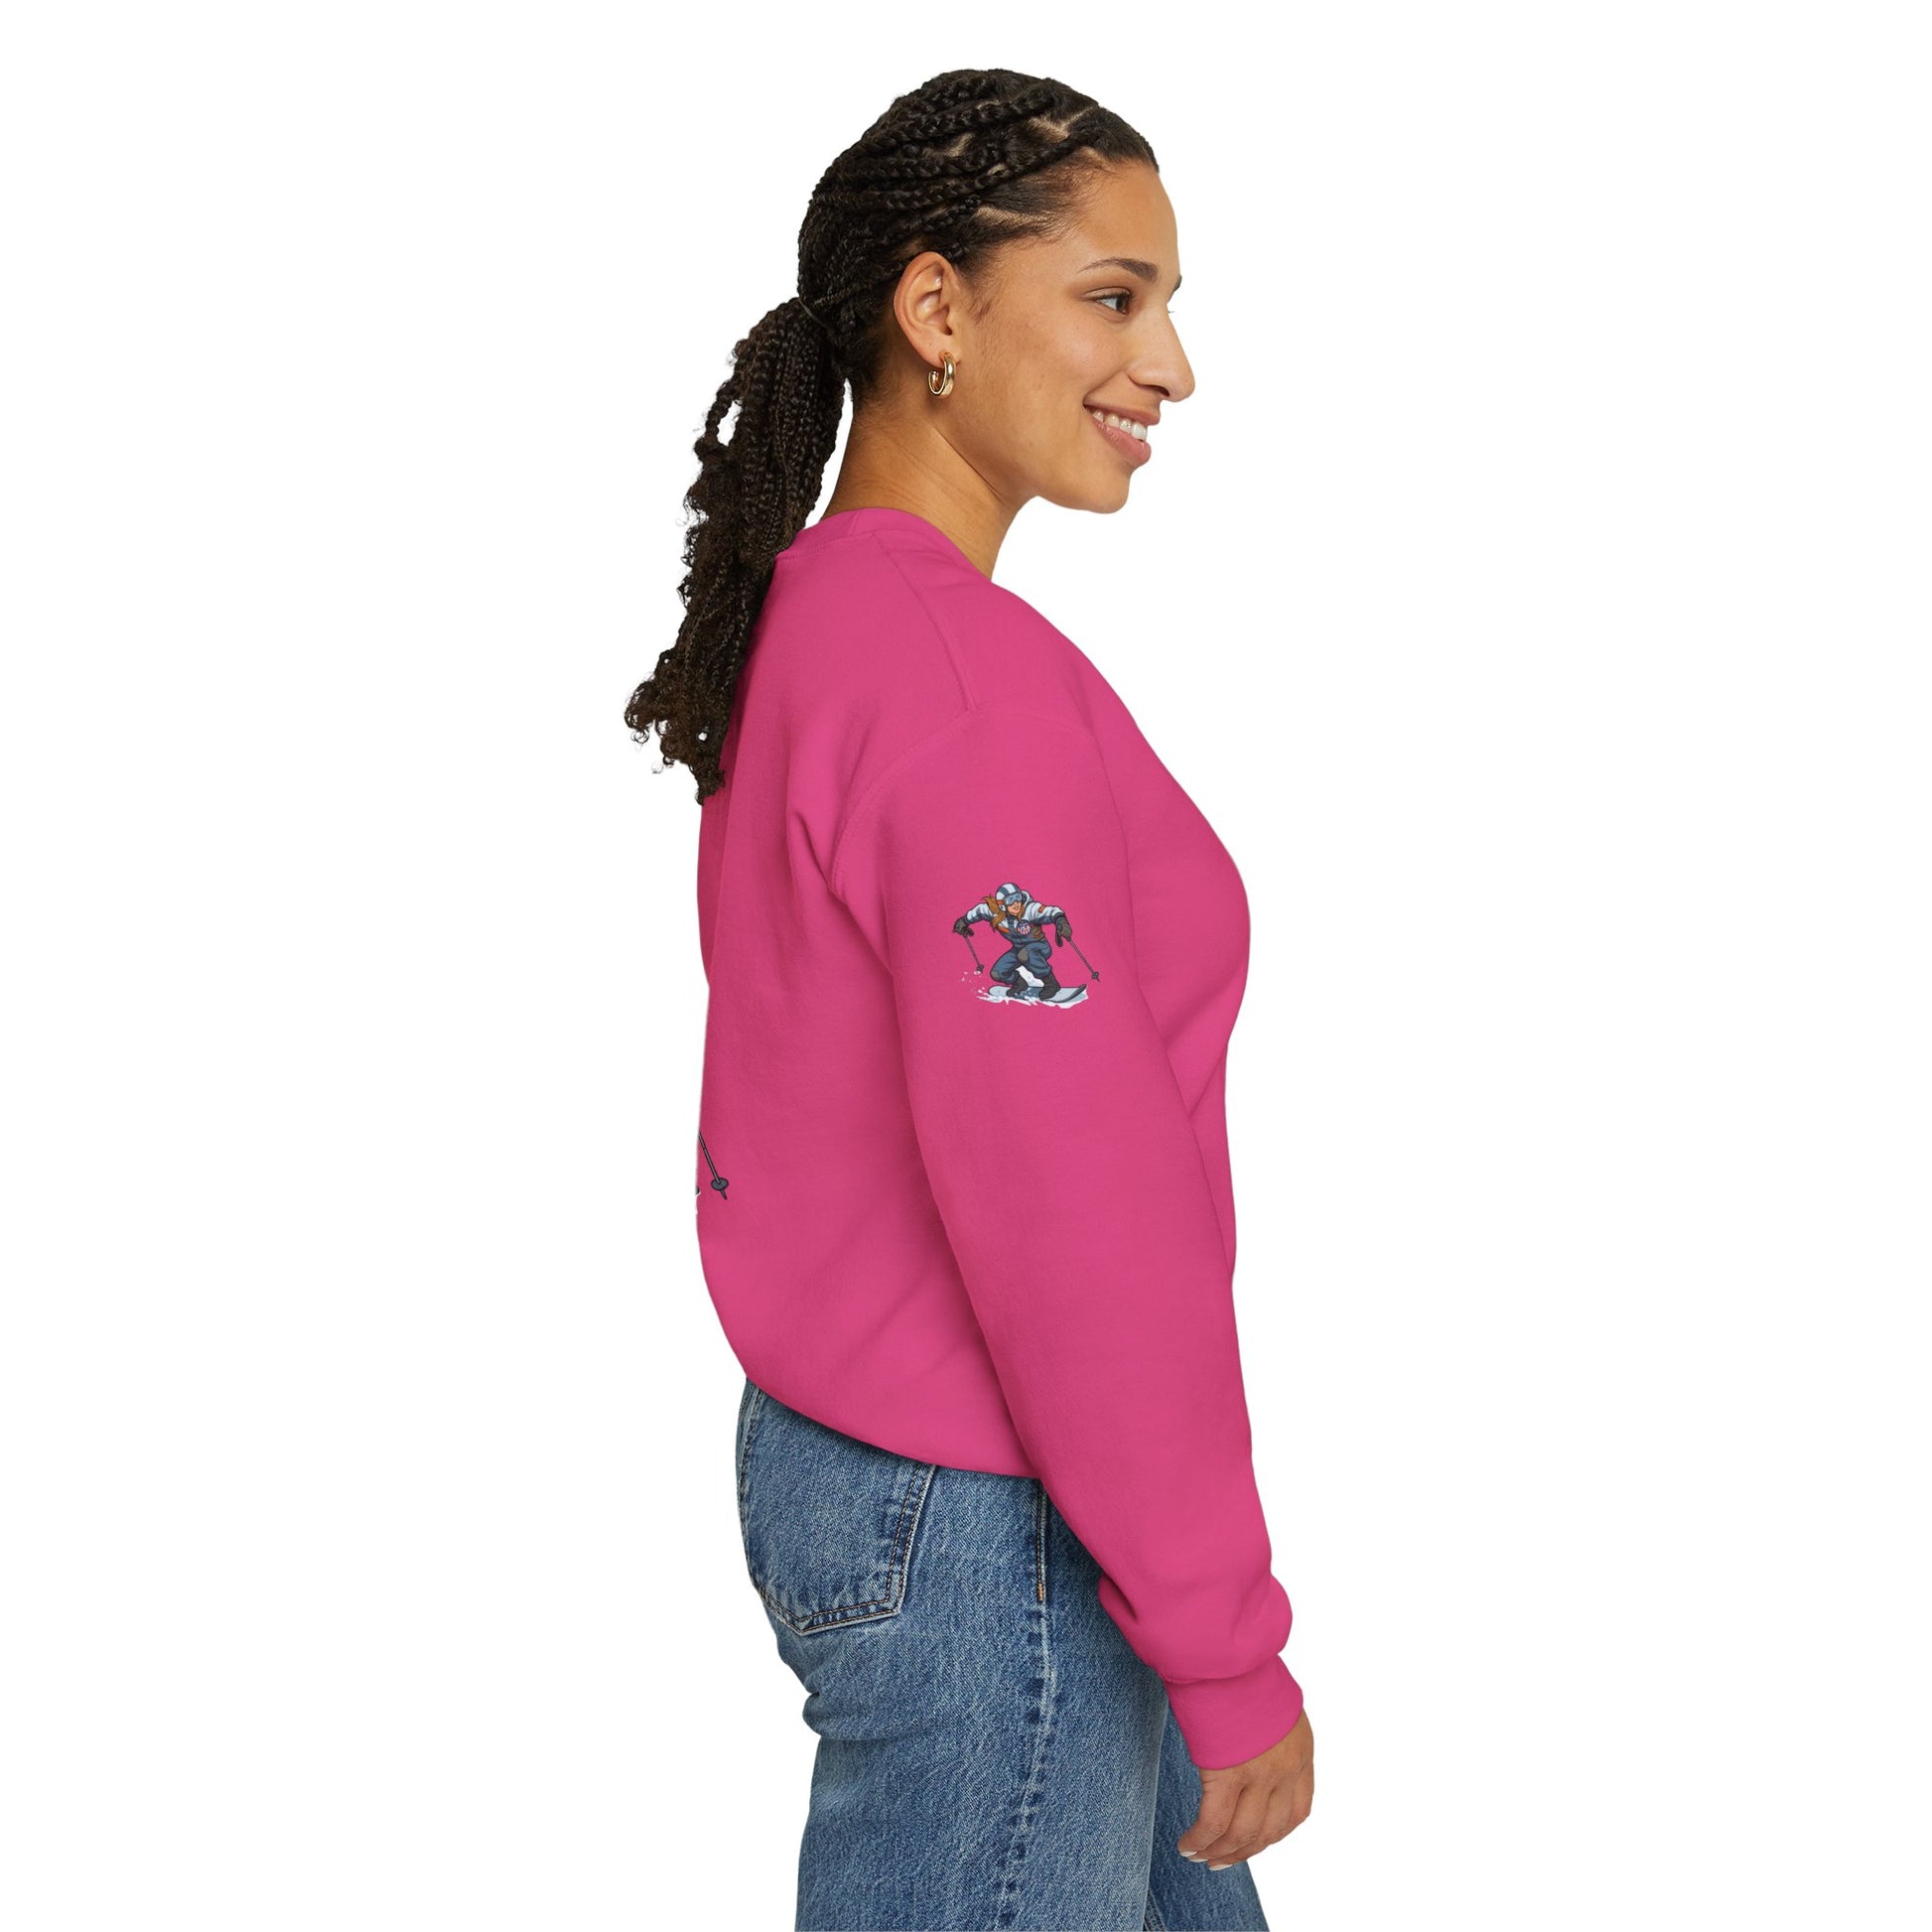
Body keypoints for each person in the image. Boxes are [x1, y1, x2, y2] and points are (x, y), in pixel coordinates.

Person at [626, 67, 1315, 1932]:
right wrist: (1222, 1633)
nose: (1170, 364)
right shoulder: (956, 688)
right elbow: (1070, 1200)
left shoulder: (822, 624)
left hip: (904, 1473)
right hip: (990, 1518)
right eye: (1112, 297)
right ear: (936, 308)